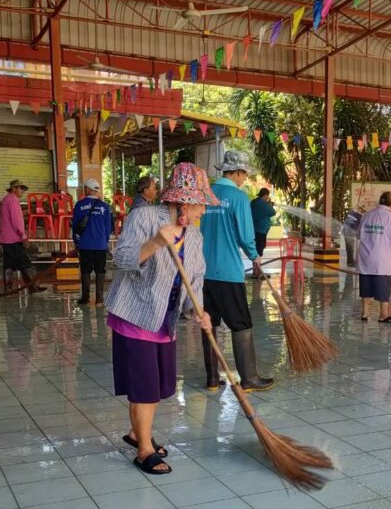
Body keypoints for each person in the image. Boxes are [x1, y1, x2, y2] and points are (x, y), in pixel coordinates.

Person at [105, 163, 215, 475]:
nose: (203, 211)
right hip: (135, 313)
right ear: (184, 203)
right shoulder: (144, 217)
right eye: (201, 204)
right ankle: (144, 450)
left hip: (165, 319)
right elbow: (121, 259)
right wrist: (155, 243)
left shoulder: (194, 235)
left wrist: (199, 311)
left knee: (158, 384)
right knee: (145, 386)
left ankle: (135, 432)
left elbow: (195, 278)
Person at [200, 150, 274, 391]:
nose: (244, 179)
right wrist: (254, 256)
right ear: (238, 172)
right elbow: (245, 235)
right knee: (241, 323)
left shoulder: (206, 194)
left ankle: (212, 378)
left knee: (209, 322)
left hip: (203, 272)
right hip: (228, 273)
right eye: (244, 175)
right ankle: (249, 378)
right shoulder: (238, 197)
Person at [357, 191, 391, 324]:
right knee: (383, 287)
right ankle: (383, 315)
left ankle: (365, 313)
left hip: (366, 258)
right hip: (383, 260)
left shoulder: (367, 215)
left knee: (365, 286)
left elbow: (359, 234)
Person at [0, 179, 46, 294]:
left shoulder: (6, 199)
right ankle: (33, 286)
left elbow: (3, 221)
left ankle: (8, 289)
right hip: (13, 239)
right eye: (21, 188)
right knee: (24, 263)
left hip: (5, 239)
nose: (23, 191)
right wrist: (23, 236)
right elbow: (16, 220)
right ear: (14, 189)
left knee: (9, 264)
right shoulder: (13, 200)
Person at [72, 179, 113, 307]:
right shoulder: (104, 207)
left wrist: (76, 241)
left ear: (88, 189)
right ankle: (99, 300)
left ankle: (85, 299)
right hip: (100, 245)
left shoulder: (79, 205)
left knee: (85, 270)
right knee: (100, 270)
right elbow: (108, 228)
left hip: (85, 245)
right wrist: (104, 241)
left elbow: (75, 226)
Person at [250, 187, 276, 275]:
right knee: (259, 251)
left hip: (253, 230)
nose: (267, 198)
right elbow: (273, 212)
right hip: (260, 231)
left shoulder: (253, 202)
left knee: (255, 250)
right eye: (267, 196)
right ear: (265, 195)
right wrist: (269, 204)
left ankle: (255, 271)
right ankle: (257, 273)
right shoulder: (264, 204)